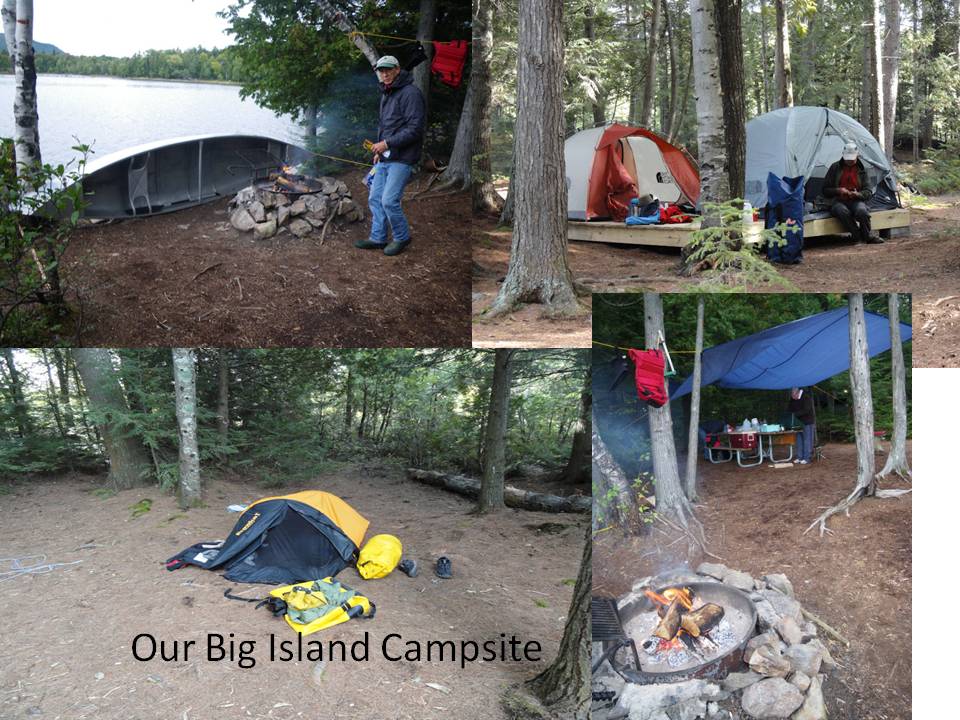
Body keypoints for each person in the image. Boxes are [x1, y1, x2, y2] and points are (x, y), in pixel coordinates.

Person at [354, 55, 426, 257]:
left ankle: (402, 237)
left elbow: (415, 129)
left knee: (389, 201)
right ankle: (378, 238)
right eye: (381, 70)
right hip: (386, 156)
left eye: (388, 70)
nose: (384, 74)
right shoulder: (388, 92)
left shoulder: (410, 93)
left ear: (397, 69)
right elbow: (386, 126)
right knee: (375, 198)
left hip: (403, 158)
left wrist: (386, 143)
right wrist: (380, 151)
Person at [822, 141, 883, 245]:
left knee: (862, 211)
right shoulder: (835, 167)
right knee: (842, 210)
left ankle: (867, 236)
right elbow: (825, 190)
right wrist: (838, 190)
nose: (849, 161)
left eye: (852, 159)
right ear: (843, 155)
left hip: (856, 200)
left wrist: (857, 194)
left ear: (857, 156)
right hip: (838, 201)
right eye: (847, 159)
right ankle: (857, 236)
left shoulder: (862, 170)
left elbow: (868, 191)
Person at [787, 387, 816, 464]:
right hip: (798, 423)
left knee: (807, 440)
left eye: (794, 396)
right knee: (799, 440)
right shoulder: (793, 398)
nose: (793, 398)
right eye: (792, 396)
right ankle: (800, 457)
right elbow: (789, 408)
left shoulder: (806, 397)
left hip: (807, 422)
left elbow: (806, 410)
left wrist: (795, 414)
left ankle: (807, 458)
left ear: (797, 392)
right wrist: (790, 414)